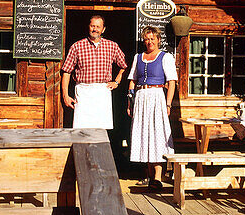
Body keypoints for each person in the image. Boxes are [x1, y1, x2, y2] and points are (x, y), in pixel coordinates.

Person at [127, 26, 177, 188]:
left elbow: (171, 82)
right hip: (141, 97)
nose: (149, 42)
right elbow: (133, 81)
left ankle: (157, 177)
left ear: (158, 40)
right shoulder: (138, 57)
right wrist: (130, 102)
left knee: (157, 134)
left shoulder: (165, 57)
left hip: (157, 97)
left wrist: (168, 103)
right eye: (147, 39)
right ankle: (147, 175)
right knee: (143, 133)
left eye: (152, 39)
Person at [61, 15, 127, 129]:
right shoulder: (77, 46)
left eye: (98, 26)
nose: (95, 29)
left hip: (102, 92)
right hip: (83, 92)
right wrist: (65, 95)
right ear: (88, 27)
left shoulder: (112, 46)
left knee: (100, 130)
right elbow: (66, 72)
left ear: (103, 29)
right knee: (81, 130)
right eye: (92, 26)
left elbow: (124, 66)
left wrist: (116, 82)